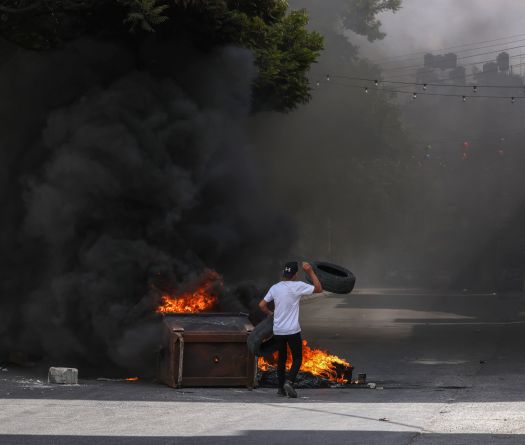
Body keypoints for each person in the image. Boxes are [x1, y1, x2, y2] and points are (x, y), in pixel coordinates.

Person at [258, 261, 323, 398]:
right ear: (294, 275)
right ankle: (289, 381)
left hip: (279, 331)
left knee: (281, 359)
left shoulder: (275, 288)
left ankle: (281, 389)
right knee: (297, 358)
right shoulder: (298, 286)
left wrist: (271, 314)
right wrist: (310, 271)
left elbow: (262, 305)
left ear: (283, 273)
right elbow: (318, 289)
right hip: (292, 331)